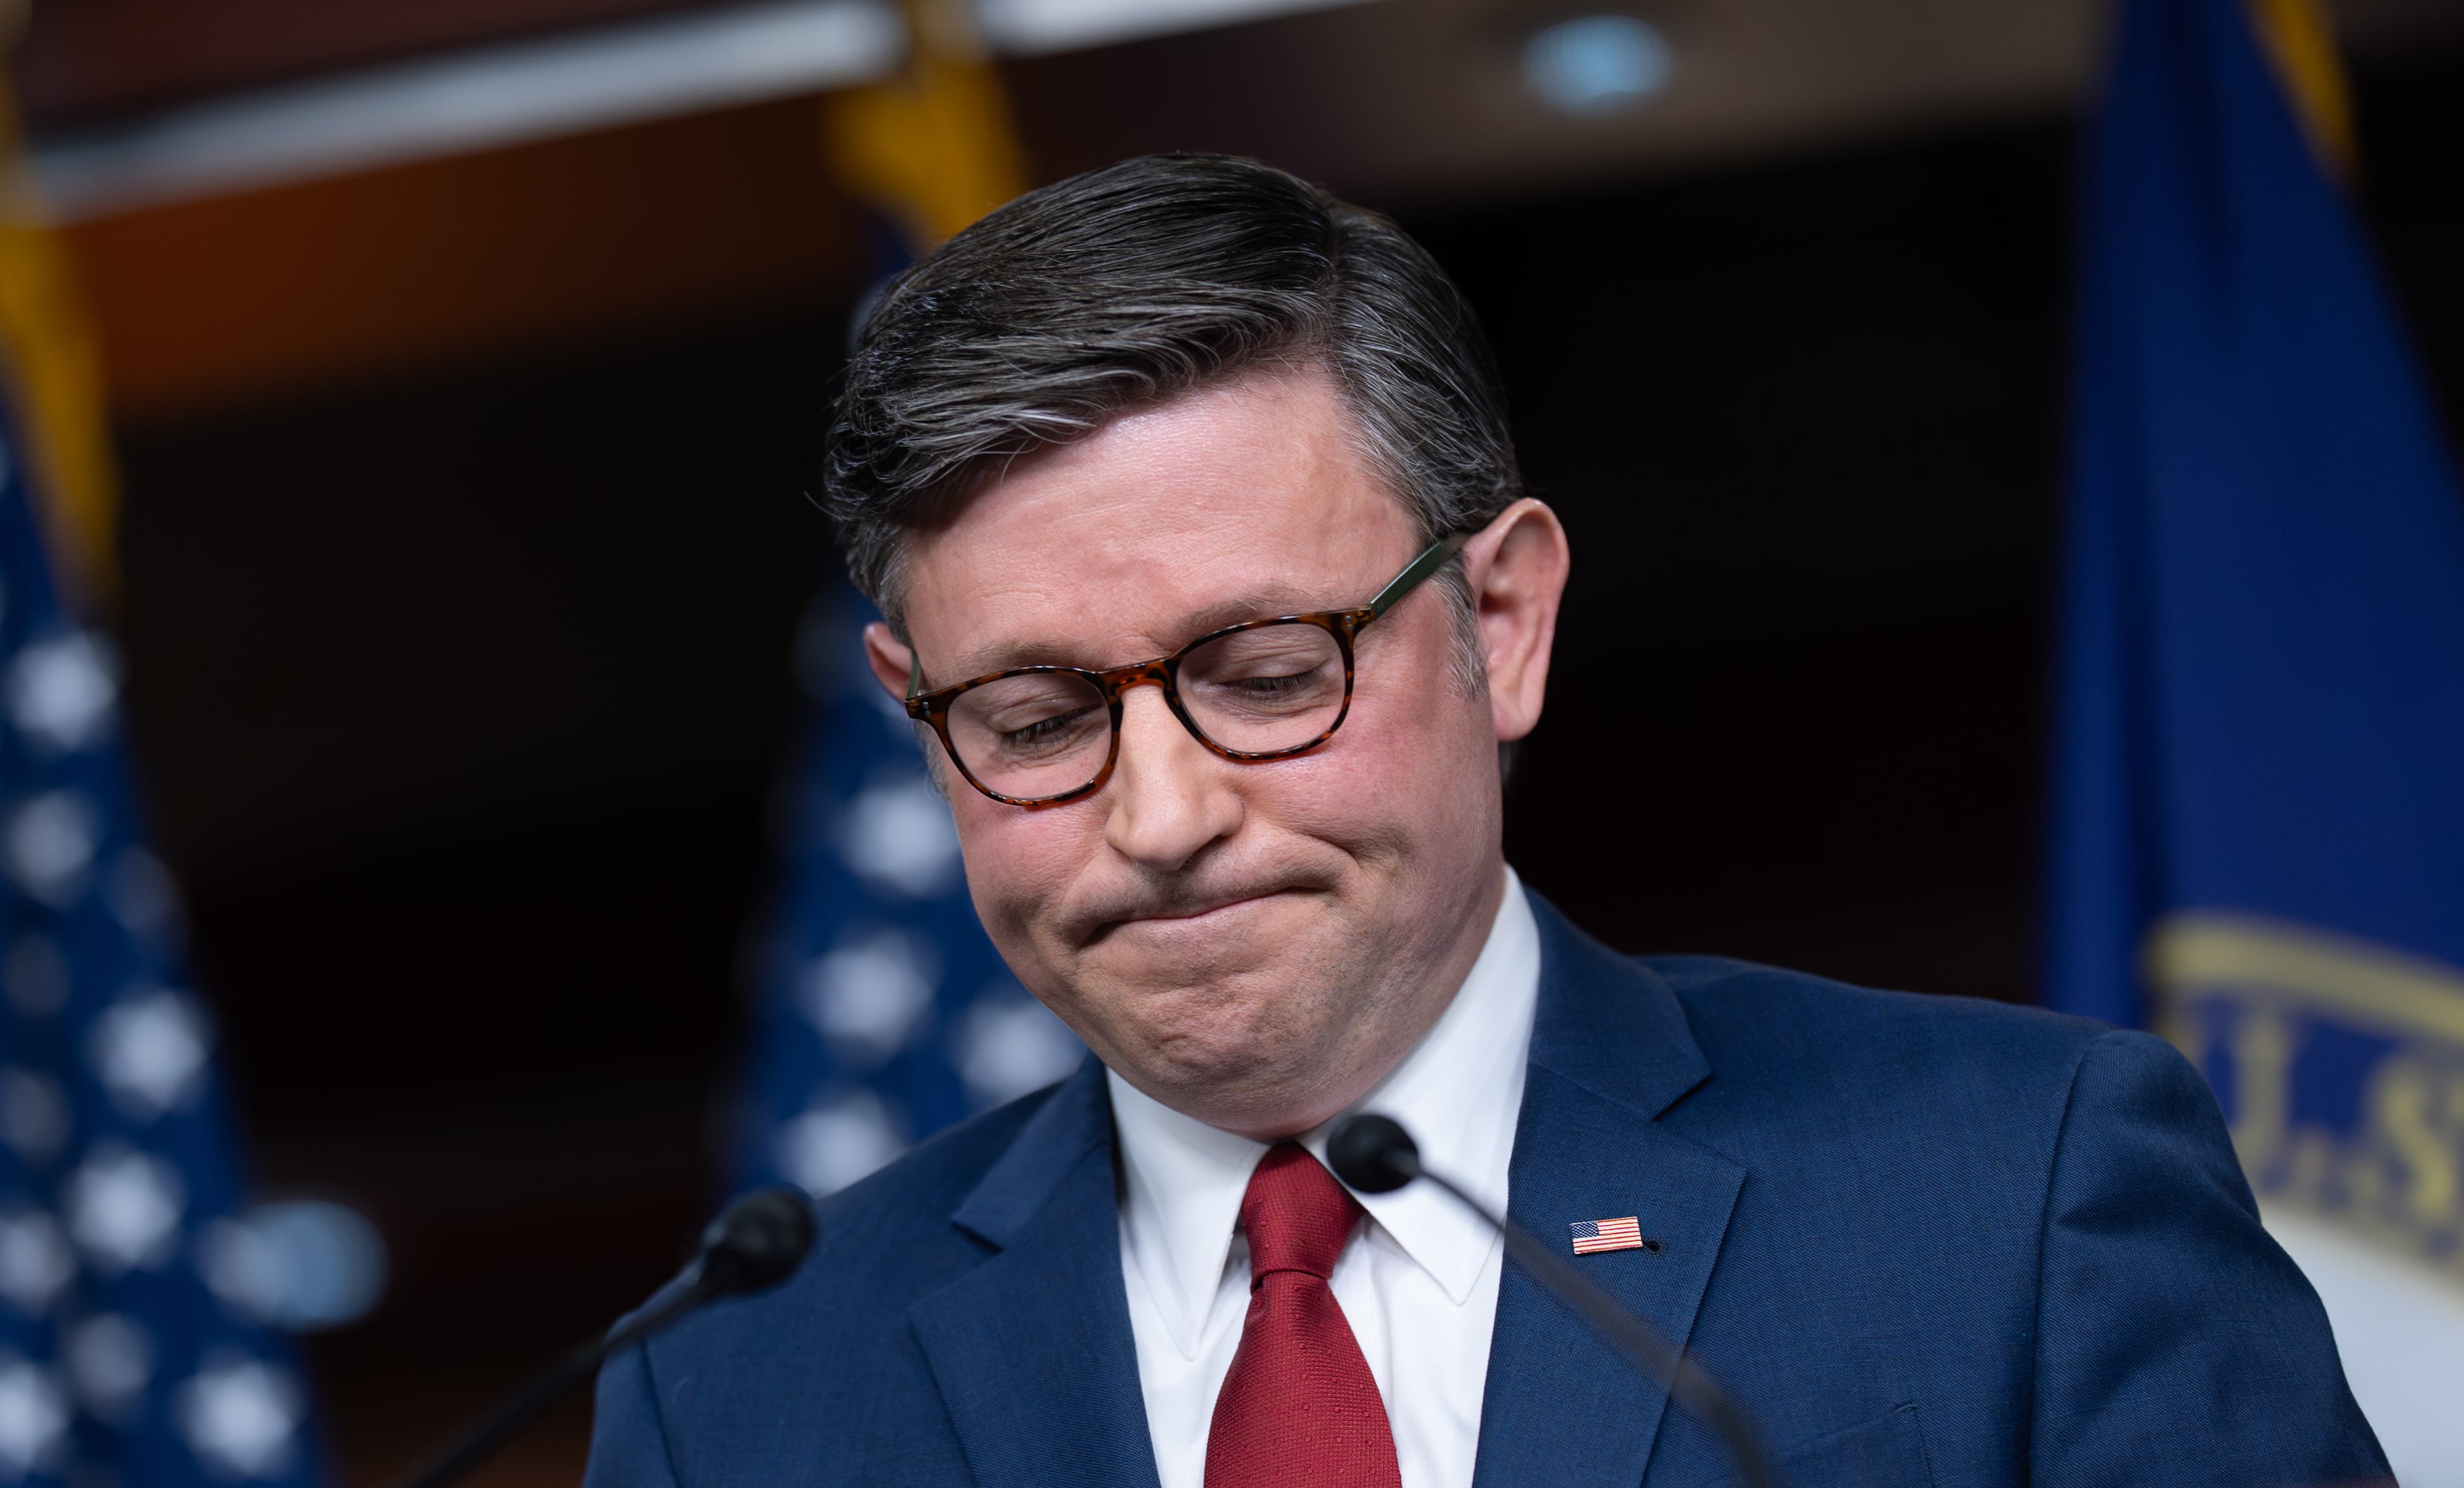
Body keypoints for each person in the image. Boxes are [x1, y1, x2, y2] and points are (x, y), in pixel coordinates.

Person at [586, 154, 2384, 1488]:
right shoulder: (740, 1391)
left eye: (1270, 670)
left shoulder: (2016, 1192)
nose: (1161, 814)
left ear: (1501, 622)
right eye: (1038, 719)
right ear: (919, 712)